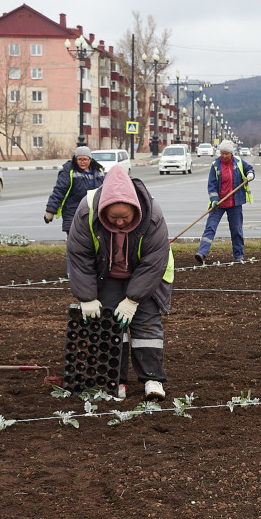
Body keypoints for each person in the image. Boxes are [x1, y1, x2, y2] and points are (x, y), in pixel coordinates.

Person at [66, 164, 172, 401]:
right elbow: (79, 255)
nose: (121, 223)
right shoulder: (87, 212)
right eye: (114, 218)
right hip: (108, 274)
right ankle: (116, 380)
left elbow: (154, 262)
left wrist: (134, 299)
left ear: (136, 209)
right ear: (103, 211)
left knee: (146, 325)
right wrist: (87, 297)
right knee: (112, 326)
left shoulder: (152, 214)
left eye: (125, 217)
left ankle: (152, 379)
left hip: (145, 274)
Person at [195, 139, 256, 264]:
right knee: (210, 228)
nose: (224, 156)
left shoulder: (239, 163)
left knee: (236, 229)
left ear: (231, 153)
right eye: (222, 153)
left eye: (226, 153)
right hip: (219, 204)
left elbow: (250, 169)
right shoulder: (215, 165)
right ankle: (202, 253)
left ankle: (239, 255)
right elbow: (211, 186)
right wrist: (214, 200)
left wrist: (250, 174)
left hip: (235, 203)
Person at [45, 146, 105, 235]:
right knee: (75, 243)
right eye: (79, 159)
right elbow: (59, 190)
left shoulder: (98, 171)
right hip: (73, 212)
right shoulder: (69, 171)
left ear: (90, 159)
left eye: (85, 159)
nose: (82, 162)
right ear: (75, 159)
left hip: (94, 212)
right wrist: (51, 210)